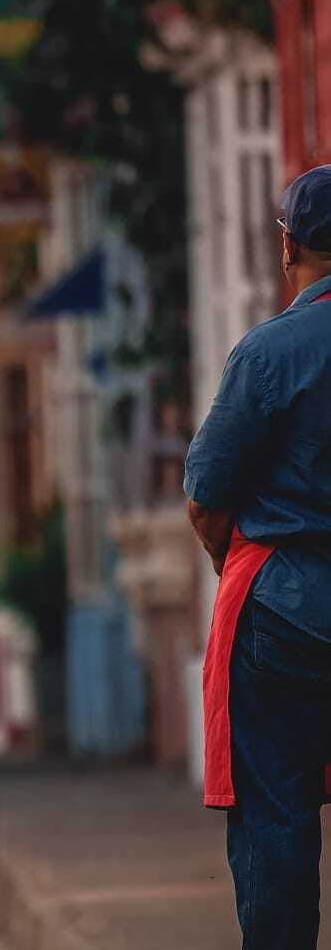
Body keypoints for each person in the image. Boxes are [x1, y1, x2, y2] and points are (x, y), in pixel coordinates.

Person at [185, 164, 331, 950]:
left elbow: (207, 496)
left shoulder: (269, 353)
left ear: (289, 247)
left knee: (277, 824)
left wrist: (234, 561)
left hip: (283, 612)